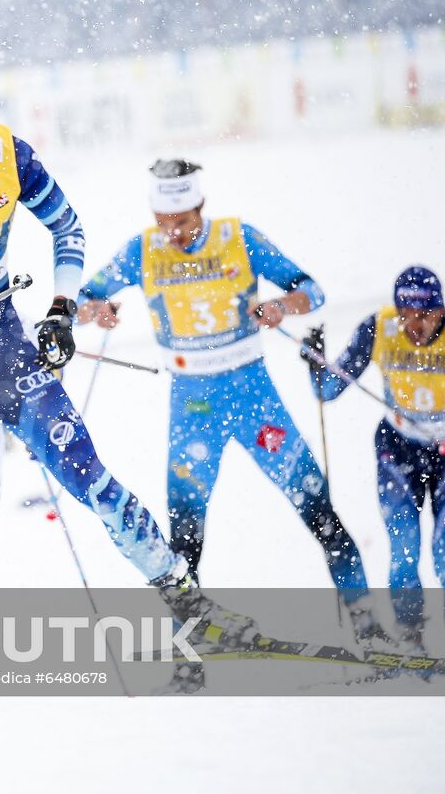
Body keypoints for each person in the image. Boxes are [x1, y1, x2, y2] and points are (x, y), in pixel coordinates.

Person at [0, 41, 256, 704]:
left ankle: (190, 603)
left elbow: (68, 228)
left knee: (88, 472)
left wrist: (60, 307)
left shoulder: (4, 154)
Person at [76, 158, 388, 646]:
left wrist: (281, 306)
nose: (172, 233)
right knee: (184, 536)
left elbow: (312, 290)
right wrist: (99, 310)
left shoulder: (238, 238)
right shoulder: (142, 250)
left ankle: (371, 632)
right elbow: (81, 300)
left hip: (253, 395)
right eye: (163, 222)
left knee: (317, 508)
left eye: (181, 221)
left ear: (201, 206)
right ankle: (189, 651)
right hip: (192, 407)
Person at [303, 265, 445, 653]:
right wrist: (317, 364)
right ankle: (410, 635)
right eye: (407, 314)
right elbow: (330, 389)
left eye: (426, 314)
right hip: (398, 449)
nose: (415, 324)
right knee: (404, 546)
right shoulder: (378, 328)